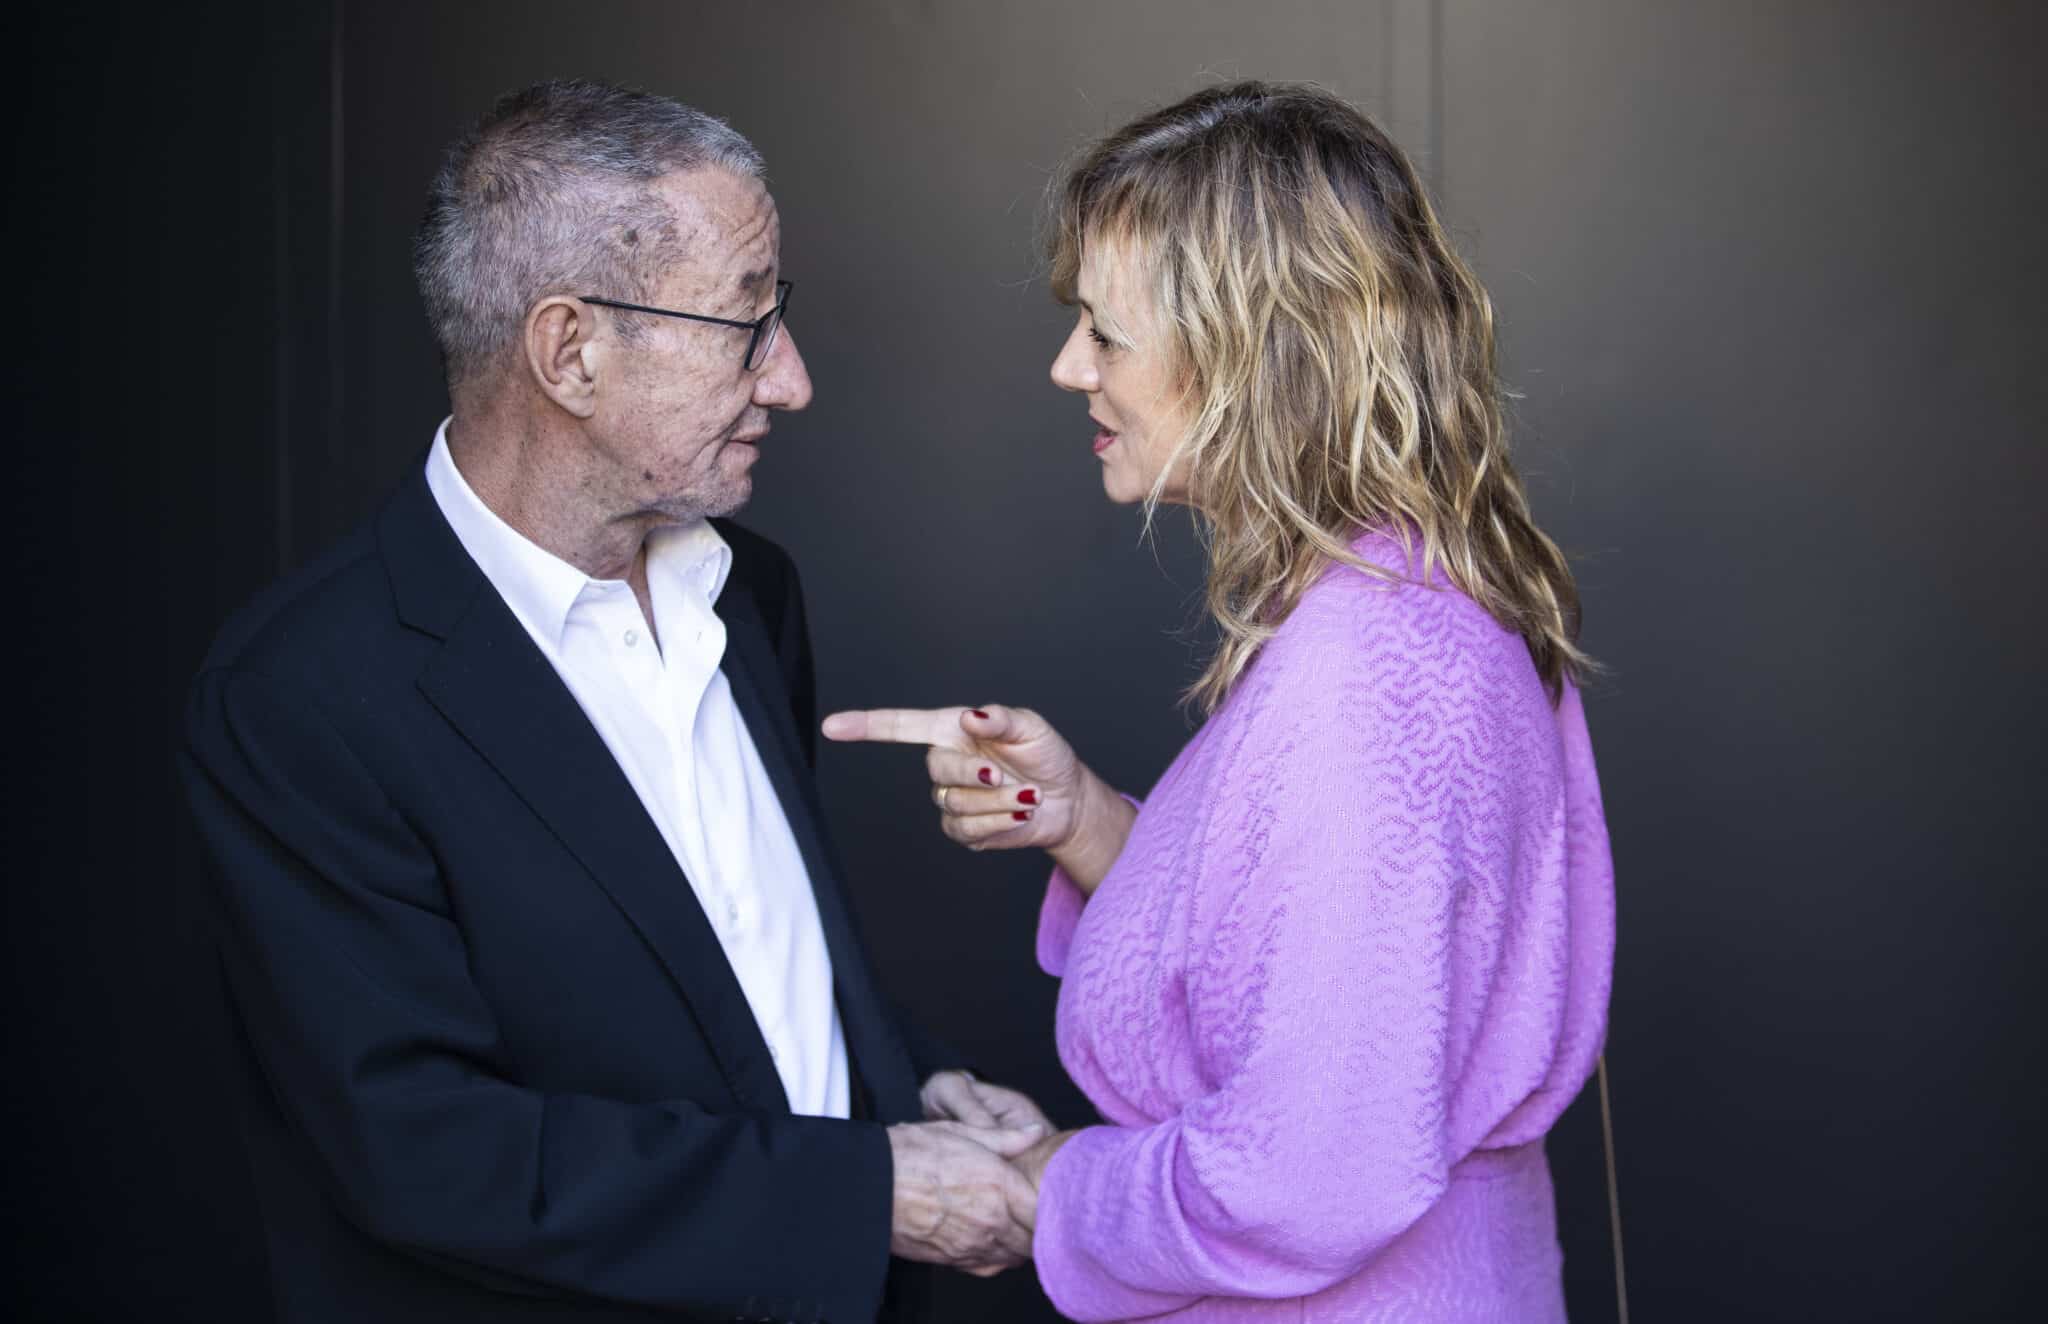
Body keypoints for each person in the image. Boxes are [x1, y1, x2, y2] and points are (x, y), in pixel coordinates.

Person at [179, 79, 1052, 1324]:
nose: (792, 380)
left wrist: (906, 1090)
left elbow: (743, 957)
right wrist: (867, 1191)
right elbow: (426, 1151)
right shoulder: (300, 697)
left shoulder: (749, 590)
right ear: (569, 350)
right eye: (746, 321)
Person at [825, 82, 1616, 1321]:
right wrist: (1081, 818)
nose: (1066, 365)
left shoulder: (1366, 679)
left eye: (1105, 332)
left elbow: (1306, 1175)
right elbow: (1312, 971)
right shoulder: (1403, 596)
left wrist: (1051, 1187)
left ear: (1251, 353)